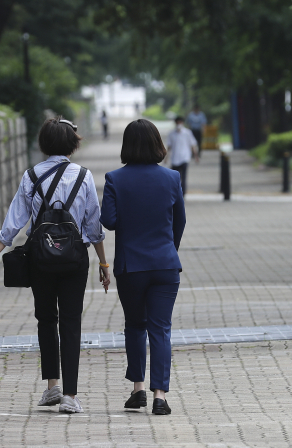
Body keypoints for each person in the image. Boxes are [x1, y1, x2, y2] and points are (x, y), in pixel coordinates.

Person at [0, 117, 110, 414]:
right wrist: (103, 263)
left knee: (46, 319)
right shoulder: (84, 176)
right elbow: (94, 225)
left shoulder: (31, 176)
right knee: (71, 322)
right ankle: (70, 396)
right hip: (75, 259)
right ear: (72, 143)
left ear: (43, 144)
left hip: (40, 258)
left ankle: (52, 385)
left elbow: (14, 222)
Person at [100, 119, 186, 415]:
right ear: (158, 145)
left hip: (131, 266)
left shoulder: (114, 179)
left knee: (135, 326)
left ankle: (137, 390)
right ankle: (160, 396)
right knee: (161, 329)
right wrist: (167, 250)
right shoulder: (172, 178)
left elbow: (108, 221)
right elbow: (181, 221)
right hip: (165, 264)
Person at [166, 116, 199, 196]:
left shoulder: (188, 133)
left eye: (180, 122)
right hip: (174, 159)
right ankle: (175, 193)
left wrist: (196, 156)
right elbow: (169, 147)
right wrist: (166, 158)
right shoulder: (171, 134)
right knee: (175, 178)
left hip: (185, 157)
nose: (179, 124)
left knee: (183, 177)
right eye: (177, 123)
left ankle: (183, 194)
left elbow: (192, 145)